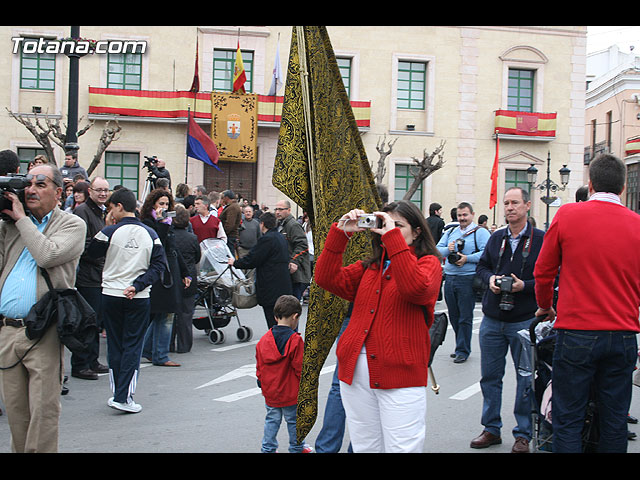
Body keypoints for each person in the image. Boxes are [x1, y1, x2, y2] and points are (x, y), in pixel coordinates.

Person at [314, 200, 442, 453]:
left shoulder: (429, 264)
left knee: (401, 448)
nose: (388, 230)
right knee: (366, 447)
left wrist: (393, 240)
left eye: (398, 226)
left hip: (401, 376)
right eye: (385, 224)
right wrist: (341, 233)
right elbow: (326, 277)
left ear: (417, 232)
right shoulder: (371, 267)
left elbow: (415, 289)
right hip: (356, 375)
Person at [534, 153, 640, 453]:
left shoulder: (568, 215)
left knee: (568, 418)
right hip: (622, 334)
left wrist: (545, 306)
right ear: (621, 188)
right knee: (614, 420)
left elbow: (543, 271)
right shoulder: (637, 224)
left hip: (577, 332)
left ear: (590, 184)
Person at [0, 163, 85, 452]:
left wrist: (22, 219)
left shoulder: (71, 224)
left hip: (44, 330)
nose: (31, 190)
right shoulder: (10, 226)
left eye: (40, 184)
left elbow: (46, 255)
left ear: (59, 192)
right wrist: (10, 220)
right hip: (8, 330)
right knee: (16, 413)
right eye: (28, 184)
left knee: (43, 411)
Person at [470, 187, 545, 453]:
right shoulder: (496, 237)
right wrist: (489, 279)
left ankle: (523, 434)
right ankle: (491, 429)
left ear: (527, 206)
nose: (509, 207)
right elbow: (482, 266)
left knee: (525, 379)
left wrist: (523, 286)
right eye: (506, 203)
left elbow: (551, 278)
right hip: (492, 318)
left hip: (523, 320)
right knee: (490, 377)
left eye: (514, 203)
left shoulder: (540, 239)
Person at [88, 188, 166, 413]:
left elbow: (91, 253)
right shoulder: (151, 234)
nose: (110, 212)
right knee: (133, 345)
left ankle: (118, 394)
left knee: (115, 344)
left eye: (111, 207)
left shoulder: (109, 231)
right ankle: (124, 396)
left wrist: (106, 227)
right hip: (138, 296)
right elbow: (159, 266)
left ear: (119, 206)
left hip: (111, 293)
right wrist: (138, 285)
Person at [139, 189, 190, 367]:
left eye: (167, 204)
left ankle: (149, 351)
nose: (164, 207)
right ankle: (160, 355)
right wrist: (162, 223)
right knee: (165, 314)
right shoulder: (148, 222)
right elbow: (156, 245)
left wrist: (185, 273)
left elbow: (174, 249)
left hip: (171, 271)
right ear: (153, 204)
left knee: (163, 314)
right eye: (161, 204)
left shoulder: (167, 222)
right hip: (159, 273)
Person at [436, 202, 490, 363]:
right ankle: (460, 345)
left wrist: (467, 258)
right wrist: (449, 249)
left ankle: (463, 350)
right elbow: (438, 249)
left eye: (465, 215)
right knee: (454, 315)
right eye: (460, 215)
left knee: (465, 317)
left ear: (472, 215)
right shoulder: (451, 231)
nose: (462, 218)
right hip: (450, 278)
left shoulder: (480, 233)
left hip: (467, 279)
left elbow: (487, 253)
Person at [255, 294, 308, 453]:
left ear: (276, 316)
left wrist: (261, 381)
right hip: (290, 392)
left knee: (272, 420)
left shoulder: (264, 340)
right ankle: (297, 448)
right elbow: (300, 367)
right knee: (294, 422)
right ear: (295, 316)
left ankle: (268, 448)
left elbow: (260, 366)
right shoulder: (295, 340)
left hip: (271, 391)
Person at [71, 176, 111, 380]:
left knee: (95, 321)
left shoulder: (102, 211)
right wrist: (102, 253)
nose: (103, 193)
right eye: (99, 190)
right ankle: (80, 364)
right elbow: (82, 246)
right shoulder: (82, 212)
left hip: (99, 275)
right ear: (90, 191)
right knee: (85, 321)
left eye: (106, 190)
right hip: (87, 276)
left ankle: (92, 360)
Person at [228, 212, 292, 329]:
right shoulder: (280, 237)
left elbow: (253, 258)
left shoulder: (267, 239)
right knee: (282, 320)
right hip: (282, 284)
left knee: (273, 321)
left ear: (262, 224)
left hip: (271, 286)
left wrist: (235, 263)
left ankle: (277, 344)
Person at [170, 205, 200, 354]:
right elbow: (197, 257)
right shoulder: (192, 238)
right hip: (189, 276)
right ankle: (184, 345)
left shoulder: (169, 236)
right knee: (186, 313)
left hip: (173, 277)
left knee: (170, 314)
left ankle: (168, 344)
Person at [275, 199, 311, 301]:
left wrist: (294, 261)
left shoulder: (293, 225)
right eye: (276, 209)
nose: (278, 212)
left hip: (296, 273)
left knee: (292, 303)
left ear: (289, 210)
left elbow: (302, 245)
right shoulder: (281, 224)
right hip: (286, 270)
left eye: (281, 209)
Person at [219, 190, 242, 257]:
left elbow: (230, 224)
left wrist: (222, 234)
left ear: (227, 197)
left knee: (230, 256)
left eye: (223, 198)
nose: (222, 200)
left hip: (229, 237)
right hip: (230, 236)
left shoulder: (232, 207)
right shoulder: (232, 206)